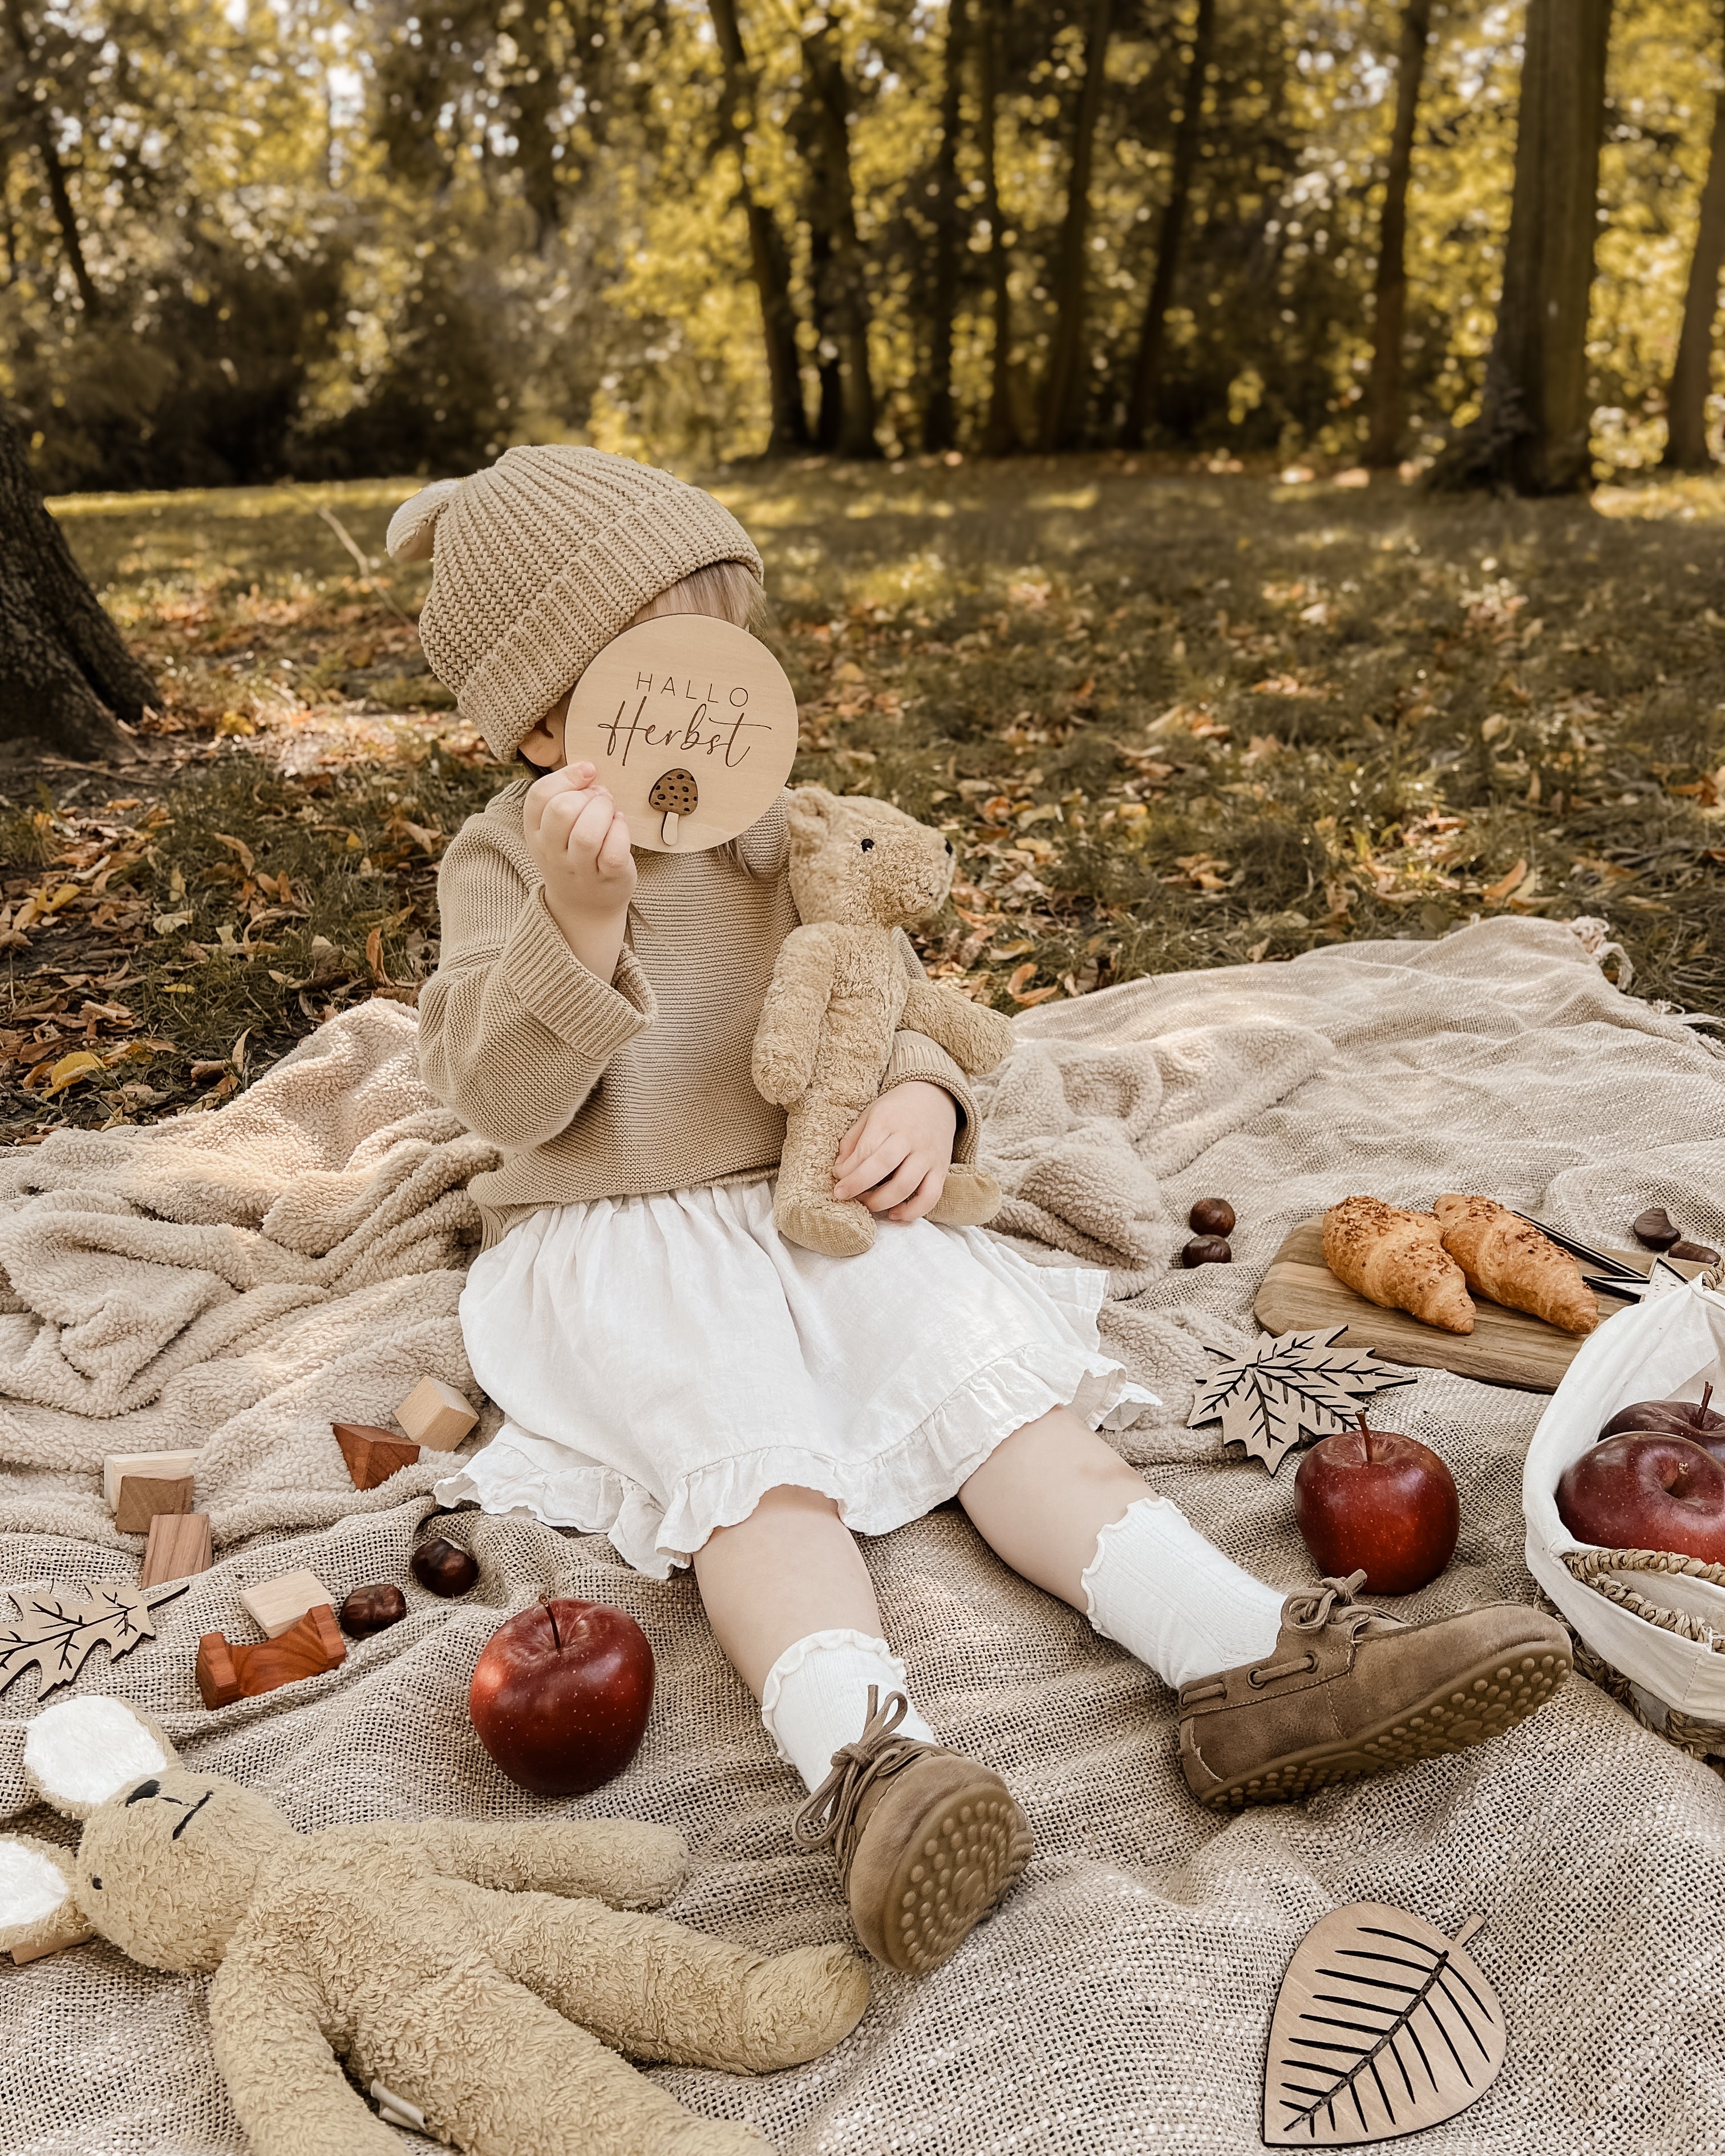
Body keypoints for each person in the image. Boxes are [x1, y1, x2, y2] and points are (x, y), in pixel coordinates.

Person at [393, 447, 1572, 1977]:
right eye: (659, 676)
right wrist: (580, 917)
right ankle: (872, 1765)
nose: (713, 706)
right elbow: (503, 1098)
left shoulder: (785, 827)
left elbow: (876, 996)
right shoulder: (506, 863)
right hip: (633, 1235)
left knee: (1005, 1406)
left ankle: (1247, 1660)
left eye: (731, 655)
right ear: (548, 723)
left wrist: (923, 1101)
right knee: (760, 1478)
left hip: (810, 1196)